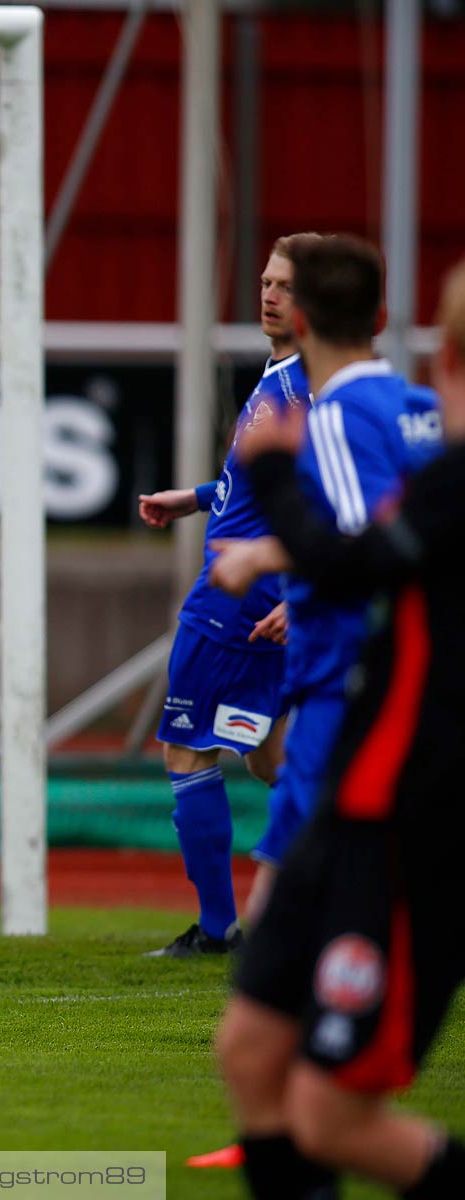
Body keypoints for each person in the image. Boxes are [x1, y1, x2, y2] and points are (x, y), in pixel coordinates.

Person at [206, 256, 465, 1200]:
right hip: (360, 756)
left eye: (280, 282)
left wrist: (272, 491)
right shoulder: (417, 428)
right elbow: (388, 544)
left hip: (383, 768)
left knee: (326, 1109)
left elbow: (360, 557)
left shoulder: (341, 413)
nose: (267, 294)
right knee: (245, 1046)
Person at [135, 234, 317, 958]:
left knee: (187, 754)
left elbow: (330, 501)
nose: (269, 294)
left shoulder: (299, 390)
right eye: (267, 281)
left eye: (286, 286)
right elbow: (259, 489)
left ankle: (218, 931)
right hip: (253, 599)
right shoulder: (283, 378)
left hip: (234, 605)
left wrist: (299, 590)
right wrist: (198, 497)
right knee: (272, 760)